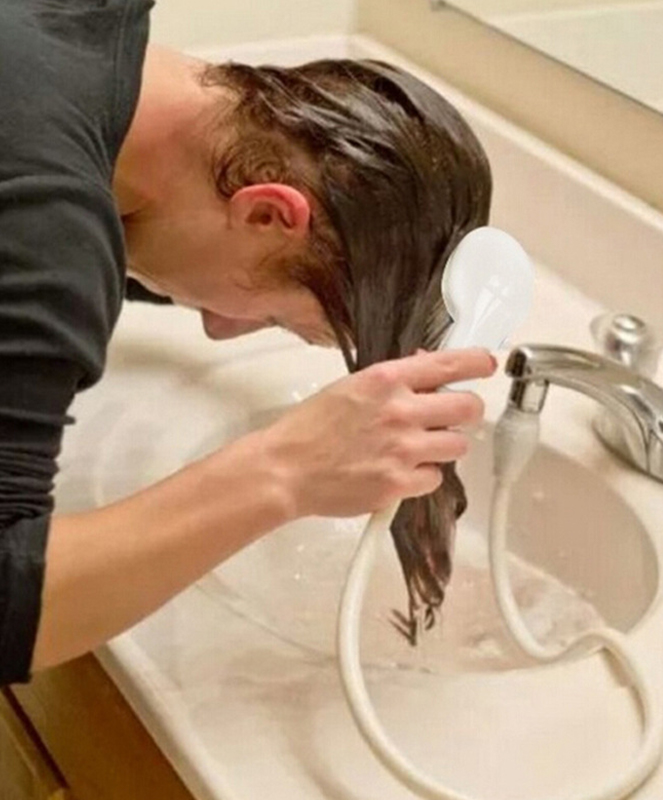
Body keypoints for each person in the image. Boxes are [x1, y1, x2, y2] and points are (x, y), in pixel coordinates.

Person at [0, 0, 496, 686]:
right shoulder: (45, 223)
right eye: (276, 320)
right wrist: (285, 471)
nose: (219, 327)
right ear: (267, 213)